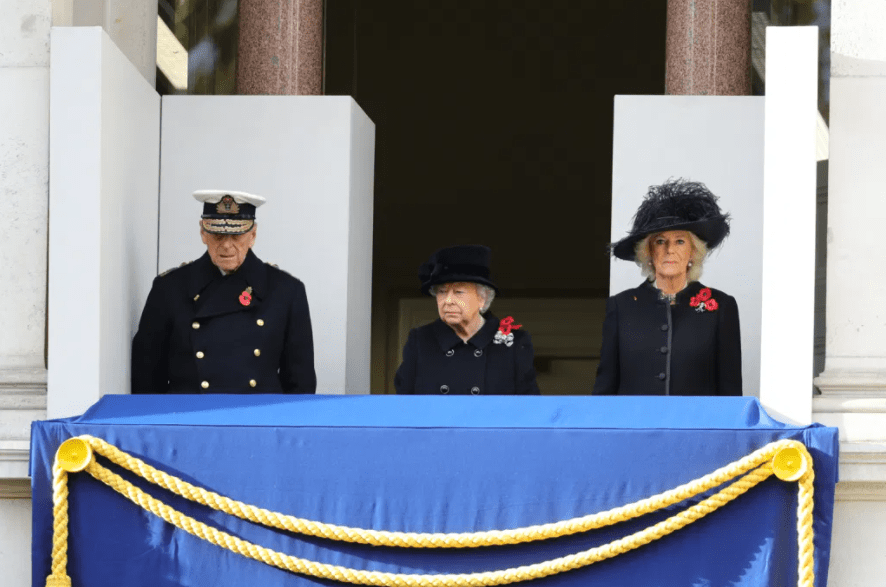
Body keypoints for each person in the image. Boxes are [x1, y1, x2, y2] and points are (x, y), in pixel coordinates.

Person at [131, 190, 316, 394]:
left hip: (258, 421)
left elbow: (301, 385)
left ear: (252, 235)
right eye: (218, 235)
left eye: (236, 235)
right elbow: (146, 380)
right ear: (203, 233)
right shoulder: (169, 289)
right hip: (190, 420)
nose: (227, 245)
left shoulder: (286, 291)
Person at [593, 179, 741, 396]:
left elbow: (730, 393)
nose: (669, 250)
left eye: (680, 241)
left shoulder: (721, 307)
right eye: (660, 241)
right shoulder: (621, 306)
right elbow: (605, 388)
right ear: (649, 252)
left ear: (693, 252)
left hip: (696, 429)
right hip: (636, 428)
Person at [395, 245, 540, 395]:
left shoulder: (513, 343)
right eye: (442, 292)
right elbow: (404, 405)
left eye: (459, 292)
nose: (448, 300)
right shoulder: (421, 340)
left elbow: (528, 408)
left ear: (481, 299)